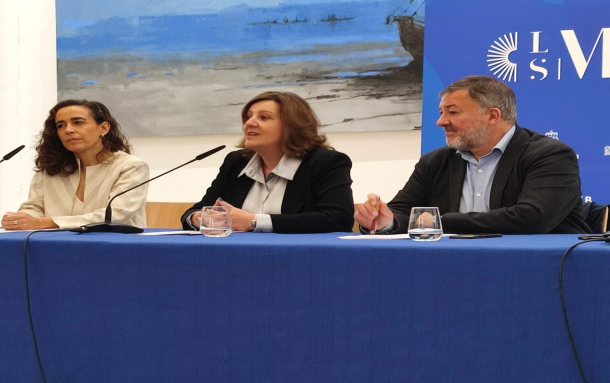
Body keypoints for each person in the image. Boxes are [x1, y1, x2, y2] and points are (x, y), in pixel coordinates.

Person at [354, 75, 590, 235]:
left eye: (453, 112)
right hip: (455, 265)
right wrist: (384, 221)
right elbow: (403, 212)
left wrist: (439, 222)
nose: (440, 122)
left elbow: (533, 218)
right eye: (441, 112)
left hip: (542, 268)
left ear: (492, 116)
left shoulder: (550, 155)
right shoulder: (436, 162)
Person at [181, 91, 354, 233]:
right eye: (248, 117)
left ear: (292, 126)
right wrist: (200, 218)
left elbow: (337, 219)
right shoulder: (236, 162)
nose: (249, 123)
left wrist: (253, 222)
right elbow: (197, 210)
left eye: (264, 117)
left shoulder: (325, 162)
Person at [1, 100, 149, 230]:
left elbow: (115, 216)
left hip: (115, 246)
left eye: (78, 122)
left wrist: (45, 223)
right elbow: (34, 208)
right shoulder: (51, 167)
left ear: (103, 128)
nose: (68, 130)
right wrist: (20, 219)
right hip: (54, 247)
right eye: (60, 125)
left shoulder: (130, 166)